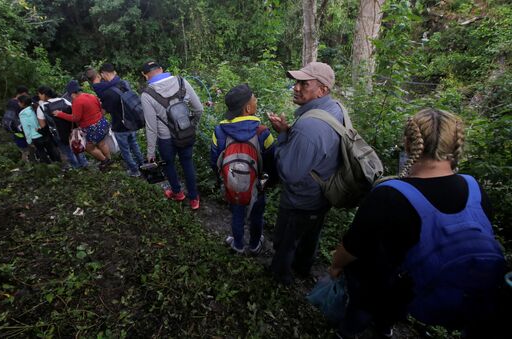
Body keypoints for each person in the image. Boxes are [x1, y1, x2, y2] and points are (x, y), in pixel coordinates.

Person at [328, 109, 506, 339]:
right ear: (455, 145)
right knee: (390, 314)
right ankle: (385, 329)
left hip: (376, 286)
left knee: (360, 311)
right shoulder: (474, 187)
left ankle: (348, 332)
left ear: (407, 142)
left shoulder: (389, 195)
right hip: (417, 289)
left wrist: (335, 266)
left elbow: (353, 247)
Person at [267, 62, 344, 285]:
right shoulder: (334, 109)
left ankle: (280, 276)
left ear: (322, 90)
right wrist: (289, 131)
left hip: (300, 199)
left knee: (286, 240)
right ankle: (303, 268)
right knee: (310, 235)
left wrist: (282, 137)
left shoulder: (309, 126)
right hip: (322, 192)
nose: (296, 87)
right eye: (296, 82)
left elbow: (288, 173)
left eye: (304, 83)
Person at [210, 84, 276, 254]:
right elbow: (272, 161)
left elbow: (214, 160)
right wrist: (266, 182)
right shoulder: (263, 132)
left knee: (237, 213)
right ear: (248, 108)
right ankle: (254, 245)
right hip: (257, 186)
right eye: (254, 98)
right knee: (256, 215)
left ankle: (238, 244)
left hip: (232, 183)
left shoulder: (219, 131)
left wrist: (223, 179)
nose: (256, 100)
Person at [140, 61, 204, 210]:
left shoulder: (147, 95)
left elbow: (151, 127)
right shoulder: (182, 82)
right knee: (187, 163)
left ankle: (177, 193)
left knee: (169, 164)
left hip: (166, 139)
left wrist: (150, 153)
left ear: (145, 75)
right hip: (185, 133)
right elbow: (199, 109)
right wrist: (191, 126)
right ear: (161, 69)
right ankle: (194, 199)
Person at [90, 63, 144, 177]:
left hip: (120, 126)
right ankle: (142, 164)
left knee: (125, 150)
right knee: (134, 145)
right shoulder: (124, 83)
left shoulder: (107, 93)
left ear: (104, 73)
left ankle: (134, 171)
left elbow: (104, 111)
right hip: (132, 122)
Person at [53, 80, 112, 171]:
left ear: (72, 93)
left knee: (89, 147)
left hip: (91, 128)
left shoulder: (77, 101)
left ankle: (104, 161)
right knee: (101, 142)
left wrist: (60, 114)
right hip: (101, 123)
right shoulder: (91, 96)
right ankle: (109, 159)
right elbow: (100, 108)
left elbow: (75, 118)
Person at [37, 86, 88, 169]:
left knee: (68, 152)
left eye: (39, 94)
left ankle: (76, 168)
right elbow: (73, 112)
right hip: (71, 130)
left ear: (44, 95)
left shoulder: (42, 107)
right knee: (77, 146)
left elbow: (42, 125)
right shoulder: (63, 100)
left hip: (58, 133)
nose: (39, 96)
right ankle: (84, 164)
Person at [17, 95, 60, 163]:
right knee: (51, 149)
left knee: (41, 152)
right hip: (44, 132)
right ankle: (58, 163)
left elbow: (26, 128)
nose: (18, 103)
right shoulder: (37, 108)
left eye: (19, 102)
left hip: (35, 136)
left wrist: (29, 140)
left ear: (22, 103)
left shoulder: (23, 114)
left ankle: (49, 167)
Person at [5, 85, 34, 162]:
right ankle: (26, 159)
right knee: (25, 144)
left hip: (10, 125)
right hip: (19, 127)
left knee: (20, 142)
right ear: (23, 93)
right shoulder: (19, 104)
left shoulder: (10, 101)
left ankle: (24, 158)